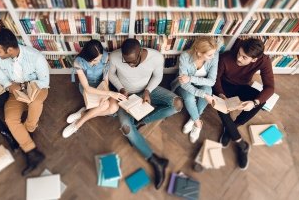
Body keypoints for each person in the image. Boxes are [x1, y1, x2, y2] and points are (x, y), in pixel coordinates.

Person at [109, 38, 183, 189]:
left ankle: (142, 120)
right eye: (126, 61)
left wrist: (148, 91)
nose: (129, 65)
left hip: (148, 90)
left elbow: (157, 76)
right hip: (125, 94)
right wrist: (121, 88)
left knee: (177, 104)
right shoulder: (114, 57)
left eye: (132, 63)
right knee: (126, 129)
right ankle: (155, 161)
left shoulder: (156, 57)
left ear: (140, 52)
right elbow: (111, 75)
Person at [0, 28, 50, 175]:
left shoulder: (36, 57)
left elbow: (44, 81)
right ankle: (32, 153)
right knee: (10, 119)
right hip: (15, 92)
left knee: (35, 103)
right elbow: (1, 77)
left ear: (9, 50)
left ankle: (29, 129)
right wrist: (10, 86)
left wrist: (25, 86)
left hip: (36, 89)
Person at [213, 38, 275, 170]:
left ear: (254, 60)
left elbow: (270, 88)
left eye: (244, 57)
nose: (239, 58)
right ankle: (241, 145)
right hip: (223, 87)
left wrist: (254, 102)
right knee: (221, 107)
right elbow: (215, 78)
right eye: (239, 54)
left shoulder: (264, 60)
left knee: (260, 101)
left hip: (242, 86)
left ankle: (231, 128)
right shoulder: (226, 57)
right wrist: (220, 94)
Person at [62, 40, 126, 138]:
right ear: (88, 58)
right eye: (96, 60)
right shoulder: (78, 62)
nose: (99, 62)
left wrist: (106, 94)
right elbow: (87, 88)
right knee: (105, 106)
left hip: (102, 86)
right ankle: (77, 125)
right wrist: (110, 94)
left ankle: (83, 114)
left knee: (114, 108)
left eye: (100, 58)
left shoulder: (105, 57)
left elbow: (105, 79)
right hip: (88, 88)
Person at [171, 37, 218, 143]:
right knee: (189, 97)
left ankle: (192, 119)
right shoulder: (185, 56)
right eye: (209, 55)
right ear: (199, 52)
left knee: (208, 91)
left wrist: (191, 78)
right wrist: (203, 95)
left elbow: (211, 82)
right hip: (183, 85)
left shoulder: (214, 56)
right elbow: (184, 83)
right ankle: (198, 123)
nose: (213, 57)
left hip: (200, 82)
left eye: (213, 54)